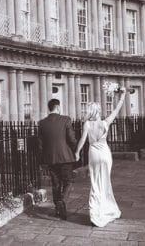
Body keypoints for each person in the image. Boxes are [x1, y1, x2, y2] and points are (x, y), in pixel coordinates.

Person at [74, 87, 126, 227]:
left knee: (95, 184)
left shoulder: (87, 124)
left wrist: (77, 152)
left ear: (90, 111)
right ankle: (106, 209)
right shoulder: (105, 123)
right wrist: (122, 96)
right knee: (105, 182)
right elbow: (116, 110)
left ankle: (96, 214)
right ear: (98, 111)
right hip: (105, 155)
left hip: (94, 154)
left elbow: (82, 140)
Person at [37, 99, 77, 220]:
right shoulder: (66, 119)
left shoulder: (42, 123)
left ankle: (58, 209)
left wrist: (42, 159)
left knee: (56, 184)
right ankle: (63, 202)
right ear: (58, 107)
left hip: (51, 158)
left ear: (50, 108)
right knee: (68, 182)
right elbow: (72, 139)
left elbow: (40, 144)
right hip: (65, 157)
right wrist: (75, 150)